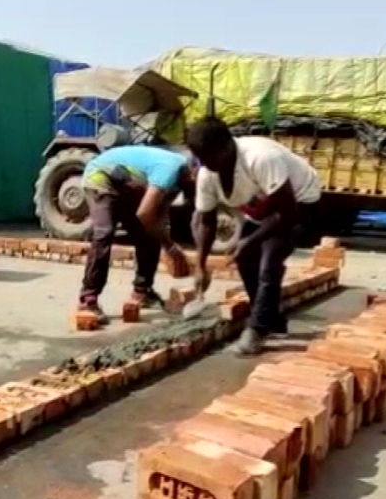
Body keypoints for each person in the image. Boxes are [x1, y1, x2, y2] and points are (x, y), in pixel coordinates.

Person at [186, 117, 321, 355]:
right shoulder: (208, 174)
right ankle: (273, 319)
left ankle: (258, 328)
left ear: (227, 146)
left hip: (298, 201)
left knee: (269, 259)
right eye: (200, 159)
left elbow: (288, 213)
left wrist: (250, 240)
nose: (205, 164)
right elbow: (206, 220)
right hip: (264, 204)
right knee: (246, 259)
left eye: (209, 157)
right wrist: (200, 264)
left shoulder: (260, 158)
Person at [77, 145, 196, 324]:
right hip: (100, 177)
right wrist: (170, 246)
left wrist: (167, 243)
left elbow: (157, 218)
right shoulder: (170, 169)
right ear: (193, 172)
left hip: (125, 185)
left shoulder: (178, 183)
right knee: (104, 232)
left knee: (149, 233)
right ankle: (88, 299)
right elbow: (144, 213)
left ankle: (143, 291)